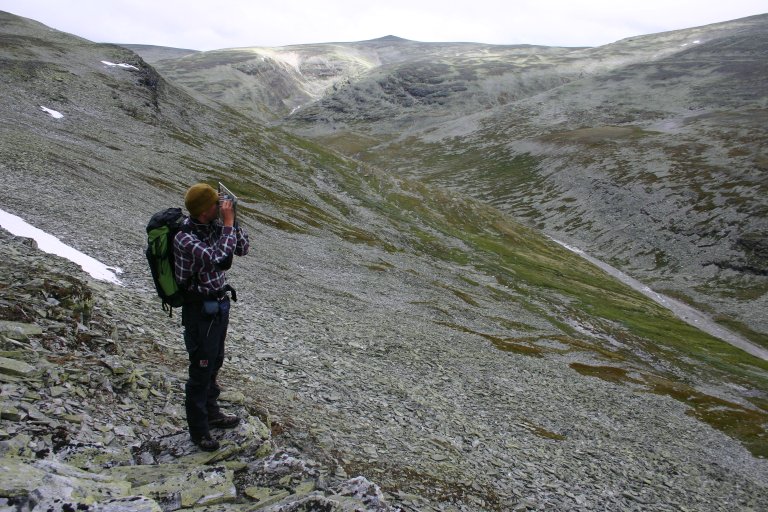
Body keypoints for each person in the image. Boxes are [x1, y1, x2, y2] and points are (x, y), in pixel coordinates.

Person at [174, 183, 250, 451]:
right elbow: (218, 257)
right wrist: (228, 223)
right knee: (201, 367)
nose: (221, 207)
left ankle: (212, 411)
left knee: (215, 360)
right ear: (206, 209)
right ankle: (199, 430)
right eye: (216, 204)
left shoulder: (212, 226)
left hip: (218, 304)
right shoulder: (184, 237)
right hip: (199, 310)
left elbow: (241, 249)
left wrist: (233, 220)